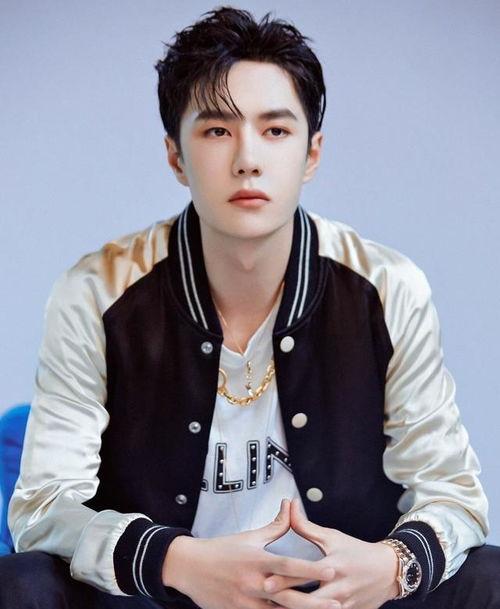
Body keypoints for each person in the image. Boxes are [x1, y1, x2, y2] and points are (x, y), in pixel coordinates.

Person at [0, 5, 499, 609]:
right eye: (217, 131)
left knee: (490, 578)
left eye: (275, 131)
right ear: (175, 156)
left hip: (344, 601)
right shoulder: (97, 293)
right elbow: (41, 507)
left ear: (312, 154)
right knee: (20, 585)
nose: (247, 159)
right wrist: (175, 561)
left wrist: (391, 567)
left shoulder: (387, 289)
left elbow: (453, 494)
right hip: (163, 597)